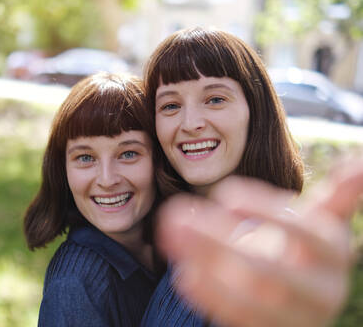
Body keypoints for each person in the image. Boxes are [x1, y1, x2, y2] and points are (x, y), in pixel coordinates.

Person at [140, 26, 363, 327]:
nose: (190, 123)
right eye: (170, 105)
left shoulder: (267, 246)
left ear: (254, 111)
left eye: (215, 99)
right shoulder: (180, 230)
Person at [23, 72, 170, 327]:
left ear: (159, 159)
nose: (106, 179)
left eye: (128, 153)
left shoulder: (176, 246)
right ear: (62, 170)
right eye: (85, 158)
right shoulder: (75, 284)